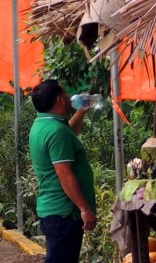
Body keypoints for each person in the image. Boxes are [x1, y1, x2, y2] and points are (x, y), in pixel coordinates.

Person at [28, 79, 97, 263]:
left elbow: (68, 135)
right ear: (59, 99)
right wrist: (85, 209)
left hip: (54, 210)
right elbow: (64, 174)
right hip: (64, 212)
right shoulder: (56, 131)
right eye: (65, 94)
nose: (69, 97)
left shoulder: (44, 124)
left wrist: (80, 112)